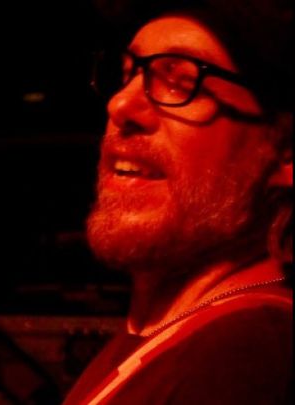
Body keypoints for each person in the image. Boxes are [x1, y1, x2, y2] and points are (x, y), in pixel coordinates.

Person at [63, 0, 292, 403]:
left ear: (284, 151)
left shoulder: (243, 355)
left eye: (182, 82)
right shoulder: (169, 329)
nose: (120, 105)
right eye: (128, 75)